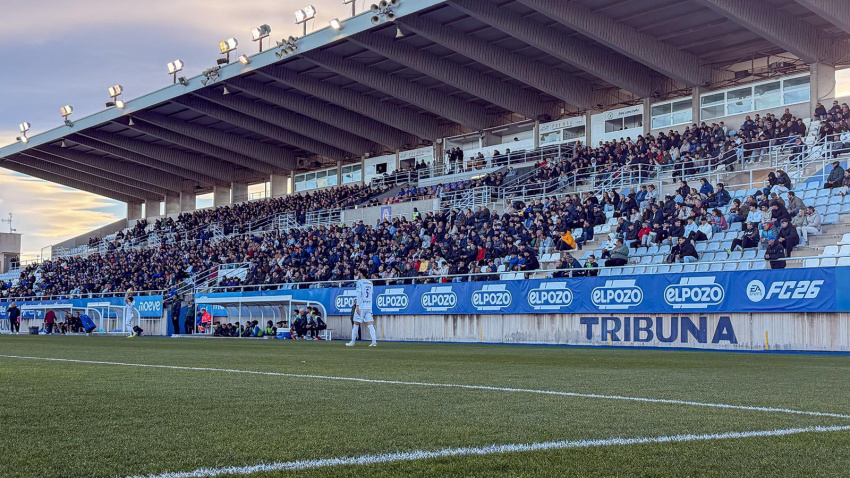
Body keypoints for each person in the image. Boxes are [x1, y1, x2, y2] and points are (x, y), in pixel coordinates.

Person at [347, 269, 377, 347]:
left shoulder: (359, 282)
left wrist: (357, 305)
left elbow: (359, 294)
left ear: (361, 274)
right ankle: (374, 341)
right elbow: (371, 294)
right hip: (368, 306)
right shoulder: (370, 283)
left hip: (361, 306)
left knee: (356, 323)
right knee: (370, 324)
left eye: (359, 272)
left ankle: (353, 341)